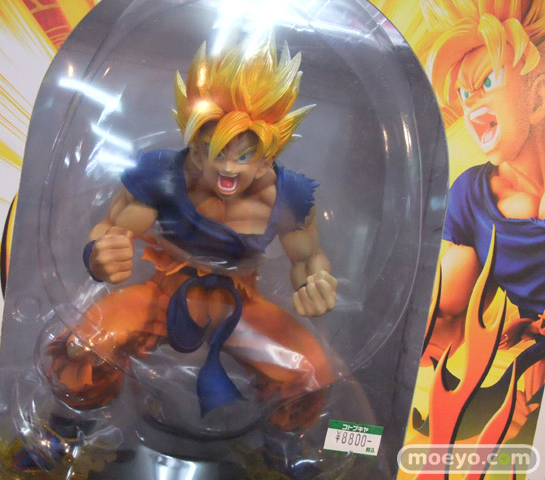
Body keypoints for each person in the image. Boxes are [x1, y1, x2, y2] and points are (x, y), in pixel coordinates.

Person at [46, 38, 338, 431]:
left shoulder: (285, 196)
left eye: (244, 155)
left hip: (239, 304)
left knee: (312, 376)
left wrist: (317, 287)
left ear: (267, 155)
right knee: (79, 350)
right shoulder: (163, 177)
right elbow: (108, 230)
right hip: (163, 295)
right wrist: (99, 256)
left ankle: (277, 453)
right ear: (196, 147)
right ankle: (69, 437)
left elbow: (308, 259)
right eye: (215, 150)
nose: (228, 169)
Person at [420, 0, 545, 401]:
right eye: (464, 92)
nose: (471, 100)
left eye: (488, 82)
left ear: (538, 95)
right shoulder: (471, 196)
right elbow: (449, 310)